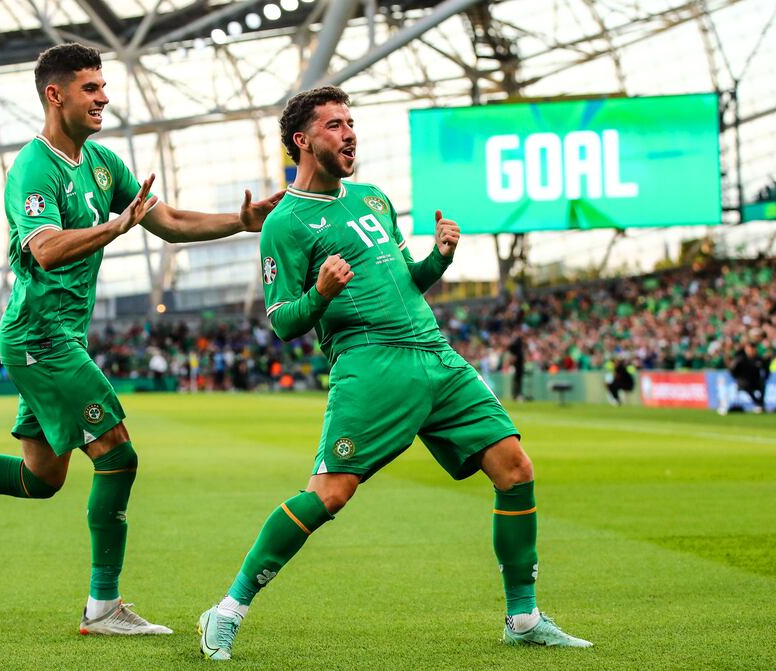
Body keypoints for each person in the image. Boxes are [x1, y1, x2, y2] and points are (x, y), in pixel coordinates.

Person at [0, 43, 282, 636]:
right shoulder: (33, 167)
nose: (104, 97)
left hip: (56, 337)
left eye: (104, 86)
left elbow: (171, 222)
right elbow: (45, 247)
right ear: (56, 95)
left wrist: (239, 221)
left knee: (41, 479)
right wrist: (112, 226)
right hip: (42, 338)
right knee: (119, 457)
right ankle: (103, 608)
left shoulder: (102, 163)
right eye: (91, 87)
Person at [197, 86, 591, 660]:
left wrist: (440, 257)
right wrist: (320, 293)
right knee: (329, 495)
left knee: (515, 468)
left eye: (350, 123)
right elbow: (282, 319)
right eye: (334, 125)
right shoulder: (286, 222)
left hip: (434, 352)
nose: (349, 133)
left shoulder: (374, 199)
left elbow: (406, 279)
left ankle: (523, 617)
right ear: (303, 142)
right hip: (371, 363)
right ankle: (226, 610)